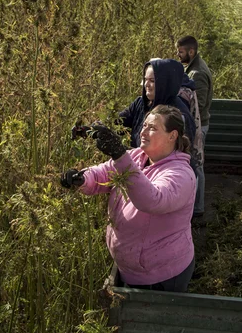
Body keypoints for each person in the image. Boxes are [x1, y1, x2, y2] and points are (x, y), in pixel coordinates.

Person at [61, 105, 197, 291]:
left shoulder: (181, 175)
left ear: (172, 136)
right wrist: (82, 178)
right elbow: (103, 173)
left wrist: (119, 154)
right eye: (144, 125)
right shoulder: (137, 157)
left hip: (162, 274)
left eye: (153, 128)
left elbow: (152, 200)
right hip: (134, 269)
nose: (144, 131)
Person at [118, 59, 196, 152]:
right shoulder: (140, 103)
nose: (146, 84)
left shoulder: (178, 114)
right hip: (138, 162)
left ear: (165, 83)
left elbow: (180, 152)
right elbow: (118, 122)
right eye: (145, 79)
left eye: (152, 81)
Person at [176, 36, 213, 218]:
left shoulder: (197, 74)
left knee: (197, 166)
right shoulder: (193, 68)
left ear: (191, 52)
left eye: (181, 52)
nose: (178, 55)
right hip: (198, 124)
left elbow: (200, 104)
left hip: (199, 126)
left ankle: (198, 208)